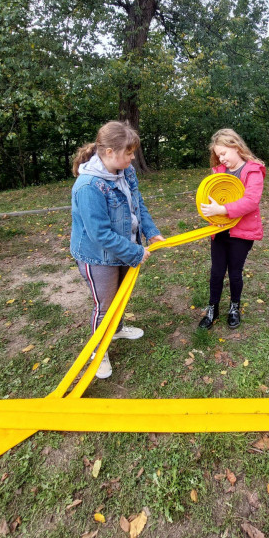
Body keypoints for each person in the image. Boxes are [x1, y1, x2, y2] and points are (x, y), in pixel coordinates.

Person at [70, 121, 165, 379]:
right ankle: (98, 352)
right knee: (104, 306)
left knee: (121, 296)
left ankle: (118, 328)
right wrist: (135, 252)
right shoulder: (89, 186)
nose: (133, 158)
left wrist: (150, 231)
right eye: (129, 152)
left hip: (125, 245)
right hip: (98, 256)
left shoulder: (126, 171)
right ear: (110, 152)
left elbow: (137, 204)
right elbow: (99, 234)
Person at [198, 128, 266, 329]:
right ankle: (213, 308)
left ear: (235, 147)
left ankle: (234, 307)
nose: (221, 158)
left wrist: (222, 209)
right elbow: (210, 197)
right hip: (219, 231)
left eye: (224, 153)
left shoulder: (252, 170)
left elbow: (251, 201)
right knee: (216, 272)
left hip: (242, 233)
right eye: (218, 155)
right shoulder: (219, 172)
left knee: (235, 272)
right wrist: (211, 211)